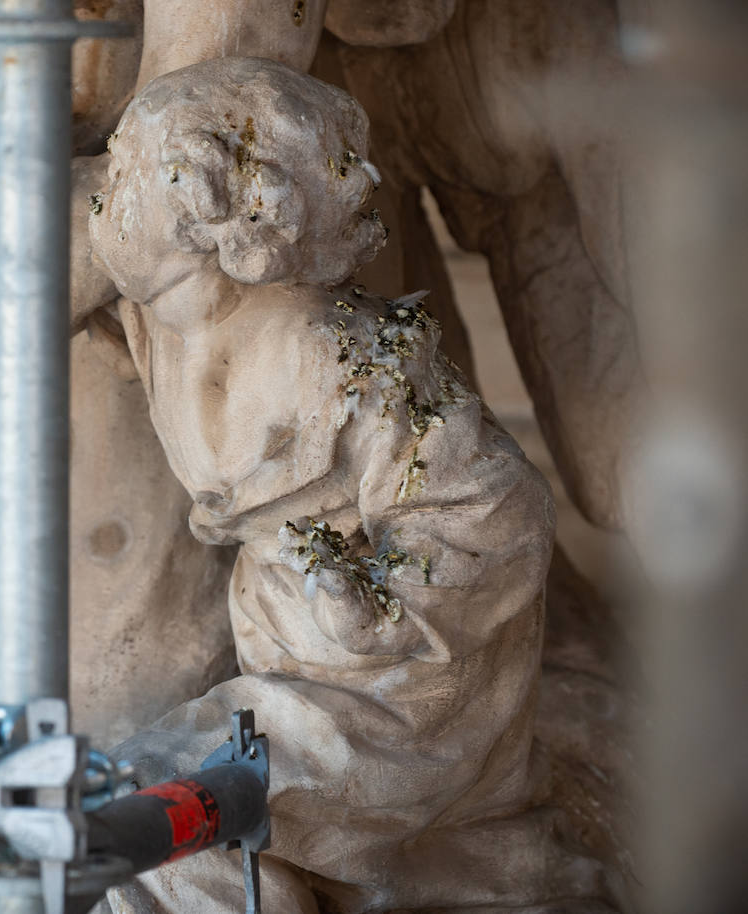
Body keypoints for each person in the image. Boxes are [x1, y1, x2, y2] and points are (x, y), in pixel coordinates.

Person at [88, 57, 620, 913]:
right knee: (162, 814)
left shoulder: (345, 358)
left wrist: (380, 599)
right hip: (281, 642)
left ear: (197, 202)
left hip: (393, 684)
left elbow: (497, 509)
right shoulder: (158, 326)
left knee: (161, 798)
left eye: (123, 167)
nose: (104, 191)